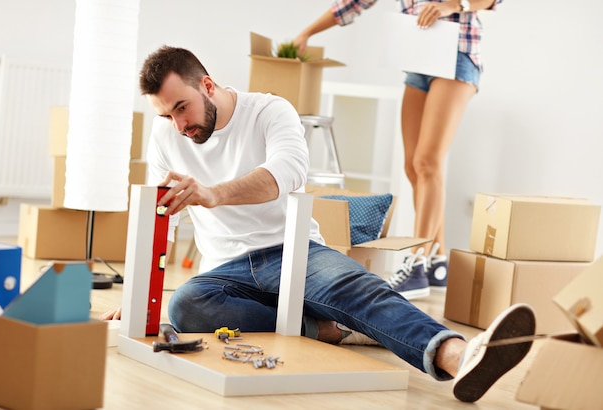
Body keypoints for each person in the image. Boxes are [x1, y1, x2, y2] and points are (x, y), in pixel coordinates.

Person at [103, 45, 535, 403]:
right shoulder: (165, 137)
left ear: (208, 86)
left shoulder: (270, 111)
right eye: (167, 116)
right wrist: (142, 291)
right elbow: (163, 215)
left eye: (182, 107)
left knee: (360, 291)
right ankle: (324, 328)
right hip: (223, 273)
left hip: (291, 252)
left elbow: (287, 172)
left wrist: (215, 194)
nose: (179, 125)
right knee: (185, 307)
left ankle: (461, 356)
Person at [294, 0, 501, 299]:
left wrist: (453, 5)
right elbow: (353, 3)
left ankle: (416, 262)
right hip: (419, 58)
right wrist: (307, 33)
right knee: (412, 166)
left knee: (427, 163)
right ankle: (438, 262)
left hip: (458, 54)